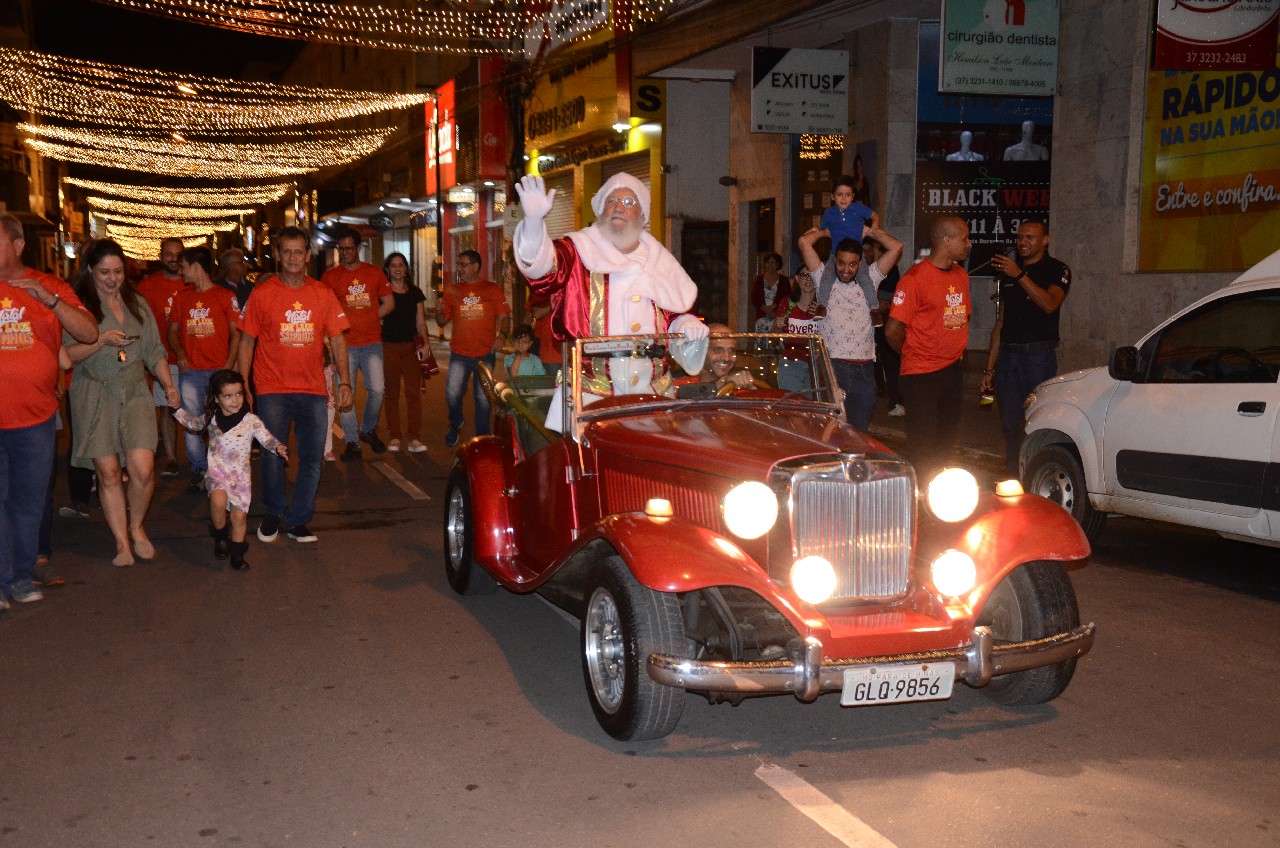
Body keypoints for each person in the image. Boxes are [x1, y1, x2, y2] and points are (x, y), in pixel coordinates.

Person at [512, 173, 708, 432]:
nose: (618, 207)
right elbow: (541, 270)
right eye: (611, 201)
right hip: (590, 398)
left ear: (643, 216)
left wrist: (686, 323)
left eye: (628, 202)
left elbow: (673, 315)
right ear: (600, 210)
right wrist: (534, 223)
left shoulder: (661, 262)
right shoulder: (578, 250)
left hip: (653, 398)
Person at [0, 213, 97, 607]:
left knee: (28, 501)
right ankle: (3, 580)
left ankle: (21, 576)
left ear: (18, 244)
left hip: (35, 419)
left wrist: (50, 301)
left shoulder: (49, 286)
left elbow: (88, 332)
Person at [64, 238, 181, 567]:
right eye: (104, 272)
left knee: (143, 471)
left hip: (134, 391)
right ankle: (121, 542)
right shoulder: (79, 308)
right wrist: (100, 340)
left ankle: (137, 527)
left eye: (117, 271)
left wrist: (169, 387)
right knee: (110, 472)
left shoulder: (137, 304)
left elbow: (154, 351)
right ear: (90, 270)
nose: (112, 278)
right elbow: (65, 358)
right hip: (93, 393)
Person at [237, 226, 352, 545]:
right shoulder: (262, 293)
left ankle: (299, 520)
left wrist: (345, 381)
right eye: (286, 251)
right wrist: (243, 384)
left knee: (312, 459)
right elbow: (246, 340)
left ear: (307, 256)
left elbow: (337, 339)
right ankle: (273, 511)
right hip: (272, 388)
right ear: (277, 254)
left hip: (313, 390)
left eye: (298, 251)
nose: (292, 257)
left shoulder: (322, 293)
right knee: (273, 454)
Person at [885, 216, 973, 475]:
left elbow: (961, 318)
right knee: (923, 448)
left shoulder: (960, 275)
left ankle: (941, 500)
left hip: (951, 371)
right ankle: (920, 501)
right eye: (964, 238)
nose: (969, 244)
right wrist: (914, 354)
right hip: (921, 375)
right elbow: (892, 331)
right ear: (946, 241)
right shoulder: (915, 278)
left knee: (945, 444)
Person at [173, 369, 287, 571]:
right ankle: (220, 537)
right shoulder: (211, 418)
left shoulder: (251, 420)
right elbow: (193, 423)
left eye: (239, 394)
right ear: (216, 399)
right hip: (217, 473)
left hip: (241, 479)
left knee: (239, 517)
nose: (235, 400)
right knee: (217, 501)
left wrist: (277, 447)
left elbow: (265, 437)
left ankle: (237, 554)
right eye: (228, 396)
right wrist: (176, 410)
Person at [981, 220, 1070, 475]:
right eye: (1019, 237)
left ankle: (1037, 475)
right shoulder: (1010, 273)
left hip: (1037, 357)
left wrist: (1019, 275)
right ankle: (1013, 478)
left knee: (1037, 420)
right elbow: (1000, 324)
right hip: (1008, 357)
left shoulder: (1057, 269)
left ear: (1045, 240)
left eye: (1030, 237)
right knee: (1011, 424)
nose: (1022, 242)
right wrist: (989, 370)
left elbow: (1050, 303)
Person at [798, 223, 903, 432]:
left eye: (853, 264)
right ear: (834, 261)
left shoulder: (871, 279)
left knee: (858, 433)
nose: (846, 270)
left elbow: (897, 247)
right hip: (832, 367)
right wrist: (827, 232)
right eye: (841, 263)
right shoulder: (822, 278)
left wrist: (868, 232)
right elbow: (803, 242)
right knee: (830, 432)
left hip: (864, 370)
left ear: (861, 264)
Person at [169, 245, 240, 492]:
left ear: (196, 267)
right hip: (191, 374)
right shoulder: (182, 298)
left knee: (222, 424)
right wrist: (179, 353)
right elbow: (173, 331)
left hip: (218, 371)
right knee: (192, 424)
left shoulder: (224, 296)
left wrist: (228, 368)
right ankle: (200, 469)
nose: (181, 273)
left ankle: (222, 471)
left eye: (184, 267)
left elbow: (236, 334)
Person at [322, 227, 393, 460]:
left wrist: (373, 317)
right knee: (346, 393)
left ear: (359, 248)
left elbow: (389, 303)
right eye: (341, 249)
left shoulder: (374, 273)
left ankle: (368, 429)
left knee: (378, 389)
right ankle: (352, 441)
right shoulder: (330, 277)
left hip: (372, 342)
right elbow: (325, 311)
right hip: (344, 345)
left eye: (349, 248)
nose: (344, 253)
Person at [434, 249, 511, 447]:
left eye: (463, 264)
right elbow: (442, 321)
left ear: (476, 266)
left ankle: (483, 440)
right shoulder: (452, 290)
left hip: (485, 354)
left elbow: (504, 317)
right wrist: (438, 312)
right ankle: (456, 422)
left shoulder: (491, 289)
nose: (459, 268)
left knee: (483, 399)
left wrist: (502, 335)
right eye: (458, 264)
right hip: (459, 353)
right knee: (452, 393)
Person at [136, 236, 189, 477]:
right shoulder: (148, 286)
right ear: (160, 257)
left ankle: (196, 457)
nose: (173, 259)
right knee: (168, 408)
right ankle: (170, 456)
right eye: (169, 254)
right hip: (161, 359)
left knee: (192, 409)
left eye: (178, 255)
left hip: (192, 359)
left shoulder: (191, 282)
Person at [379, 252, 428, 453]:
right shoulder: (382, 293)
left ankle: (414, 437)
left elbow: (421, 321)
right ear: (388, 270)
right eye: (393, 265)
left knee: (413, 393)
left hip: (410, 347)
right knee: (391, 393)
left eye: (401, 265)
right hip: (388, 346)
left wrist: (425, 345)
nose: (397, 268)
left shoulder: (415, 292)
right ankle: (395, 436)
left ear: (406, 268)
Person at [816, 175, 879, 306]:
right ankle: (821, 306)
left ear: (852, 196)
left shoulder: (858, 208)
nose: (844, 198)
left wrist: (874, 227)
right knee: (827, 277)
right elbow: (822, 229)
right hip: (835, 253)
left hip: (856, 254)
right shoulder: (829, 212)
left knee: (865, 279)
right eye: (839, 194)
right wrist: (817, 231)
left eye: (847, 195)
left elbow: (874, 215)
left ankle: (874, 308)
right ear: (833, 196)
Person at [865, 235, 905, 417]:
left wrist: (877, 301)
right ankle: (878, 390)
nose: (868, 254)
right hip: (867, 323)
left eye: (870, 250)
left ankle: (897, 400)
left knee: (890, 360)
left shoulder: (890, 269)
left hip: (884, 321)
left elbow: (892, 294)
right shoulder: (863, 269)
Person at [675, 323, 755, 398]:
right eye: (717, 350)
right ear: (701, 352)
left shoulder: (742, 391)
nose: (726, 358)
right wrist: (722, 384)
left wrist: (753, 392)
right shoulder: (679, 386)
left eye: (731, 350)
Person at [749, 252, 787, 333]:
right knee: (761, 343)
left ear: (777, 264)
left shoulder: (784, 280)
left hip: (778, 317)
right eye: (767, 262)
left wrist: (774, 307)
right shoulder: (759, 279)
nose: (769, 265)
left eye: (772, 262)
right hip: (762, 317)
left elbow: (787, 296)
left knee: (776, 342)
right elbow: (754, 297)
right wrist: (766, 309)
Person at [527, 295, 563, 381]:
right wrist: (555, 303)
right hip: (544, 347)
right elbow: (536, 313)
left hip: (559, 348)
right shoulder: (539, 292)